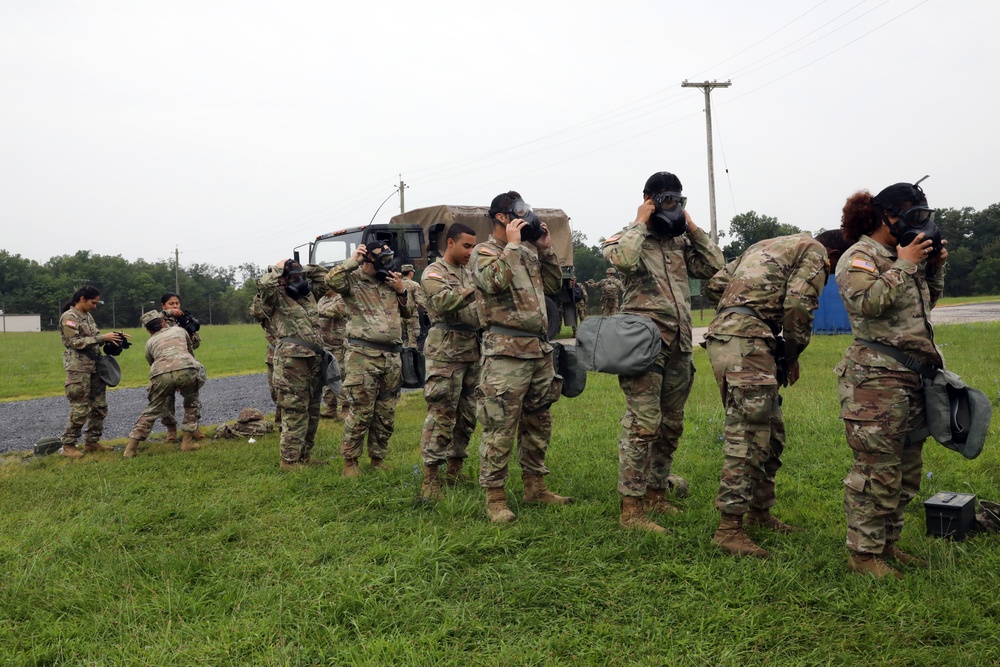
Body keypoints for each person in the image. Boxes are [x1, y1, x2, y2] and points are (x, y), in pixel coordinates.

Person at [703, 231, 849, 557]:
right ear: (834, 253)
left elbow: (715, 285)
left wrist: (736, 312)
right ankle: (729, 530)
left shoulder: (764, 246)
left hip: (736, 338)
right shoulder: (815, 251)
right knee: (749, 434)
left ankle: (759, 512)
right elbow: (798, 304)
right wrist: (791, 354)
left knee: (771, 432)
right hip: (748, 341)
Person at [836, 180, 947, 578]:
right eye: (913, 216)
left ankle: (887, 544)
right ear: (888, 216)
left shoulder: (904, 255)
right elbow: (867, 304)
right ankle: (863, 554)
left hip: (912, 377)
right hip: (874, 380)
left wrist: (932, 267)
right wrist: (904, 264)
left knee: (907, 469)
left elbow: (923, 304)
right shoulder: (861, 255)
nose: (921, 225)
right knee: (876, 469)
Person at [603, 172, 725, 532]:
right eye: (667, 200)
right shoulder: (627, 237)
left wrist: (692, 227)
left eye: (678, 200)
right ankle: (632, 510)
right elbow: (622, 260)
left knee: (671, 424)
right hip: (644, 344)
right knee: (643, 425)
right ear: (650, 199)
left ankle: (656, 493)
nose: (672, 207)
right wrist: (642, 221)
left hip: (680, 344)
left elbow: (717, 267)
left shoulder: (679, 242)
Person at [472, 191, 572, 524]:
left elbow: (554, 285)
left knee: (538, 422)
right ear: (502, 217)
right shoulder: (483, 253)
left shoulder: (528, 254)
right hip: (505, 354)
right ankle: (495, 498)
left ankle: (535, 486)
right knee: (500, 426)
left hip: (537, 351)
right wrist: (513, 246)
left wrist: (544, 248)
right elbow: (494, 282)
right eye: (520, 211)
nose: (527, 215)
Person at [327, 241, 413, 477]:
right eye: (382, 258)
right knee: (361, 411)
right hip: (363, 357)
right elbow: (331, 281)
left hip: (391, 357)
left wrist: (401, 290)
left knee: (386, 413)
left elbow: (409, 311)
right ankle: (350, 462)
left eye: (389, 257)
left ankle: (377, 459)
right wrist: (352, 261)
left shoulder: (390, 282)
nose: (388, 262)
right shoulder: (353, 281)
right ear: (368, 259)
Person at [418, 222, 482, 500]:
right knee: (442, 415)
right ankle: (431, 479)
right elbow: (444, 302)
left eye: (473, 246)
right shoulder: (434, 272)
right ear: (451, 243)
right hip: (446, 352)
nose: (471, 251)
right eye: (466, 246)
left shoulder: (469, 272)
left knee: (468, 415)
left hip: (472, 350)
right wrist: (476, 287)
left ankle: (455, 471)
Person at [255, 260, 331, 469]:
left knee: (313, 408)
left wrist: (303, 268)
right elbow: (263, 285)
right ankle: (289, 460)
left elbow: (325, 279)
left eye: (301, 277)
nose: (299, 281)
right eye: (294, 277)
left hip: (314, 358)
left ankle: (305, 455)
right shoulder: (274, 297)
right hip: (292, 361)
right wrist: (279, 269)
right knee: (295, 409)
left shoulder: (308, 295)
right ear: (282, 280)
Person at [57, 286, 128, 458]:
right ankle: (68, 445)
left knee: (99, 406)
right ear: (82, 299)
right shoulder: (69, 317)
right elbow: (73, 341)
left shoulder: (87, 316)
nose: (95, 306)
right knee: (80, 408)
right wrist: (102, 338)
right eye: (93, 302)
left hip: (95, 367)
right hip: (78, 369)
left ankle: (92, 442)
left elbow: (94, 339)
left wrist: (114, 338)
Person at [123, 311, 204, 458]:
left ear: (148, 330)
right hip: (186, 368)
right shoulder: (179, 330)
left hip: (160, 373)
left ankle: (130, 448)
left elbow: (152, 363)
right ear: (164, 323)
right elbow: (190, 353)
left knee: (152, 409)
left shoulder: (149, 343)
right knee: (192, 402)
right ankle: (187, 442)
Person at [156, 292, 204, 443]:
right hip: (165, 365)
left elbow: (195, 344)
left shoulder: (184, 319)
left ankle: (193, 428)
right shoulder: (159, 320)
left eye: (177, 303)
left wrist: (190, 331)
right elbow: (149, 320)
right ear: (164, 306)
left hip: (185, 363)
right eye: (171, 304)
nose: (175, 306)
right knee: (166, 401)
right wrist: (169, 313)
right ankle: (171, 431)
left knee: (192, 398)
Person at [249, 292, 282, 428]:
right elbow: (257, 314)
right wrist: (259, 298)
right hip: (273, 353)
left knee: (286, 391)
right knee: (274, 391)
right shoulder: (266, 306)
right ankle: (281, 420)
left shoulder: (288, 301)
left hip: (289, 352)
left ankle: (283, 423)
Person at [316, 289, 348, 420]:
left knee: (339, 376)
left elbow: (336, 312)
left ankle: (346, 407)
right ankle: (331, 408)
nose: (323, 287)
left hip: (338, 345)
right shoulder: (322, 300)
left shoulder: (341, 297)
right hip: (324, 345)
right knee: (326, 376)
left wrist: (312, 311)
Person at [400, 264, 426, 350]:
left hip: (400, 316)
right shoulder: (414, 284)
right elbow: (420, 300)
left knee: (405, 340)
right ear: (411, 273)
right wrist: (428, 309)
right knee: (413, 342)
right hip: (412, 316)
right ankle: (413, 362)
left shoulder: (398, 285)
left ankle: (405, 361)